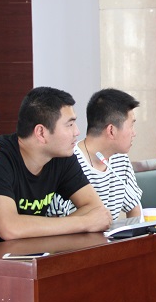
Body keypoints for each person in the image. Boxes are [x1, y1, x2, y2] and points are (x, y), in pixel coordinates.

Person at [0, 86, 112, 241]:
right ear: (41, 132)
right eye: (69, 124)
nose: (77, 132)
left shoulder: (62, 157)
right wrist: (84, 223)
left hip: (36, 249)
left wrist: (39, 228)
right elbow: (9, 228)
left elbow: (95, 208)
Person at [47, 88, 142, 220]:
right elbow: (55, 220)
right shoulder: (68, 162)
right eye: (131, 125)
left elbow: (135, 209)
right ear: (111, 130)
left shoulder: (121, 160)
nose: (134, 133)